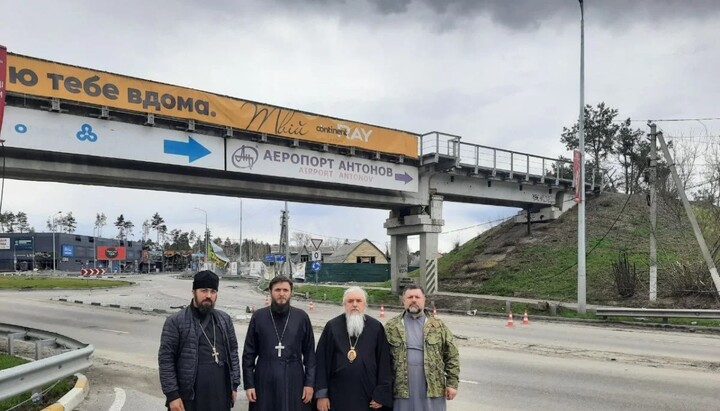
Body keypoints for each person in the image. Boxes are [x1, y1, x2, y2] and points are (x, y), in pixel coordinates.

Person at [158, 270, 241, 411]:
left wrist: (234, 385)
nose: (208, 295)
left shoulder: (224, 319)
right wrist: (172, 395)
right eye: (204, 290)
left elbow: (233, 352)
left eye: (213, 291)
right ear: (193, 292)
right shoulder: (175, 321)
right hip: (190, 397)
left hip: (220, 394)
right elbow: (166, 360)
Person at [242, 276, 316, 410]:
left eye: (285, 290)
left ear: (291, 292)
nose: (282, 294)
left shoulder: (301, 317)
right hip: (265, 376)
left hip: (294, 377)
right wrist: (249, 384)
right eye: (277, 290)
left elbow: (310, 355)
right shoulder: (258, 317)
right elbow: (248, 354)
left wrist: (309, 383)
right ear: (270, 292)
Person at [314, 286, 393, 411]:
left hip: (368, 396)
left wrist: (380, 395)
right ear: (344, 304)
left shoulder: (376, 327)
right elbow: (321, 362)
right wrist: (322, 395)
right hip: (337, 395)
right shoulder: (332, 327)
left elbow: (384, 363)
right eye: (350, 301)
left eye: (358, 301)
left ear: (365, 304)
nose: (354, 304)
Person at [385, 285, 460, 411]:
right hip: (401, 389)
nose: (414, 300)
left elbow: (452, 355)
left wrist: (452, 384)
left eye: (417, 297)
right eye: (410, 297)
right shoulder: (391, 327)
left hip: (432, 388)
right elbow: (381, 358)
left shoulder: (438, 326)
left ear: (424, 300)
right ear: (403, 300)